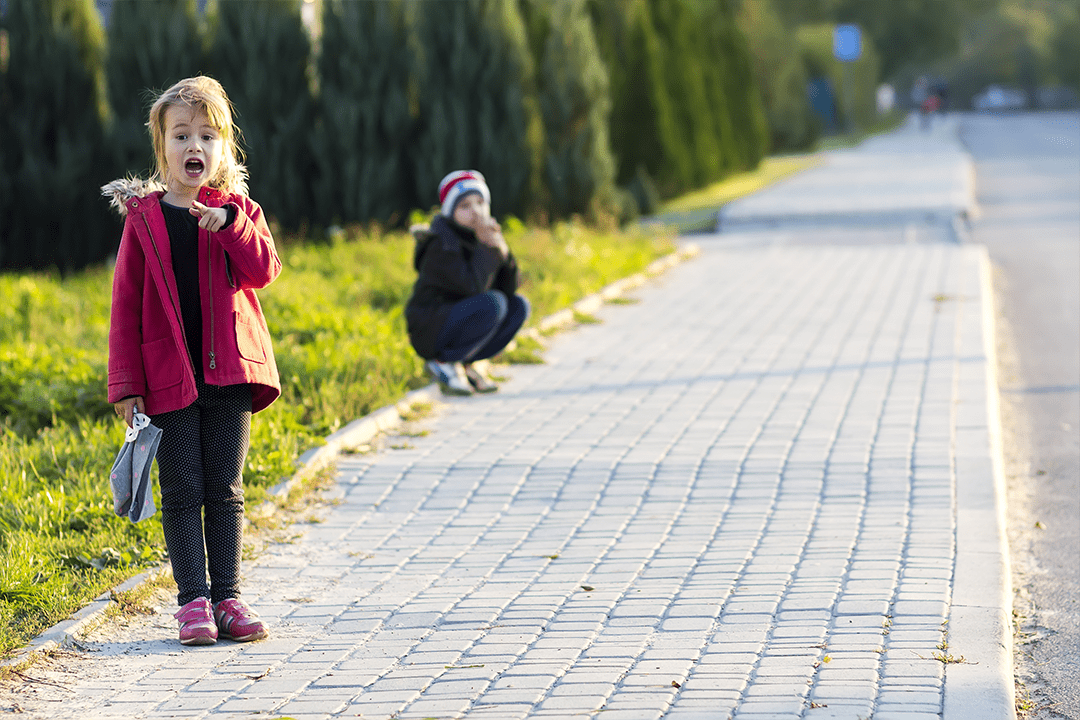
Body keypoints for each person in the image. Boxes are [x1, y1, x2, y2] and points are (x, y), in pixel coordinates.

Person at [102, 76, 281, 647]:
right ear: (163, 148)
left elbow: (264, 270)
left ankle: (228, 595)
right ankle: (192, 602)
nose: (194, 147)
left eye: (207, 135)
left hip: (229, 374)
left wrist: (230, 228)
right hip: (168, 379)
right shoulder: (144, 219)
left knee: (225, 487)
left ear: (225, 148)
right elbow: (125, 305)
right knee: (182, 490)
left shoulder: (238, 211)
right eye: (181, 135)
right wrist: (126, 384)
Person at [405, 170, 529, 395]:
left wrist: (503, 252)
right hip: (431, 328)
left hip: (460, 318)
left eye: (480, 203)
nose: (476, 212)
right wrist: (488, 249)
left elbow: (509, 289)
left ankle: (465, 363)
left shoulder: (480, 237)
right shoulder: (441, 243)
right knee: (494, 303)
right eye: (465, 206)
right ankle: (443, 362)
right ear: (451, 212)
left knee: (518, 306)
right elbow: (472, 287)